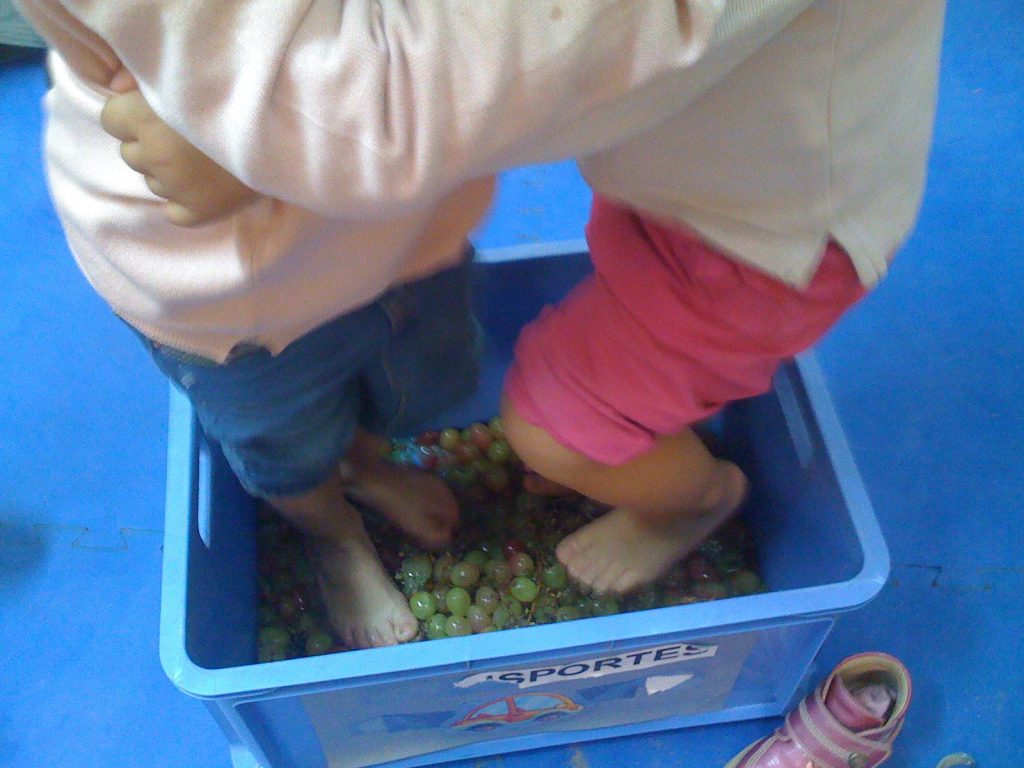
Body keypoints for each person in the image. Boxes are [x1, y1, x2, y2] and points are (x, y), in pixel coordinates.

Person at [22, 0, 946, 598]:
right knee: (291, 441)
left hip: (740, 231)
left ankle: (690, 496)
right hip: (223, 296)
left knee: (482, 404)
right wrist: (241, 126)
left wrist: (246, 138)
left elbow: (458, 85)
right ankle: (340, 521)